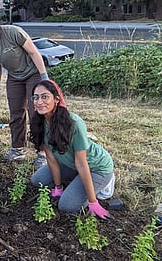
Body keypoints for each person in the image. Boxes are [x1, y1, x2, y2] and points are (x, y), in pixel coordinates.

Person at [0, 6, 49, 168]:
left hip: (32, 74)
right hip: (15, 77)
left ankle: (42, 152)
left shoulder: (13, 32)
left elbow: (34, 53)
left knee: (35, 112)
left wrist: (44, 78)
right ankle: (17, 148)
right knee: (16, 113)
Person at [29, 80, 115, 219]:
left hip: (95, 166)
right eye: (36, 97)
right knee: (37, 180)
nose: (39, 102)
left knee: (67, 206)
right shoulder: (40, 122)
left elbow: (82, 163)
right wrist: (58, 187)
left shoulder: (74, 123)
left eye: (45, 97)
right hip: (70, 163)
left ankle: (105, 184)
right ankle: (74, 182)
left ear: (56, 99)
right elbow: (50, 158)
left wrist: (93, 202)